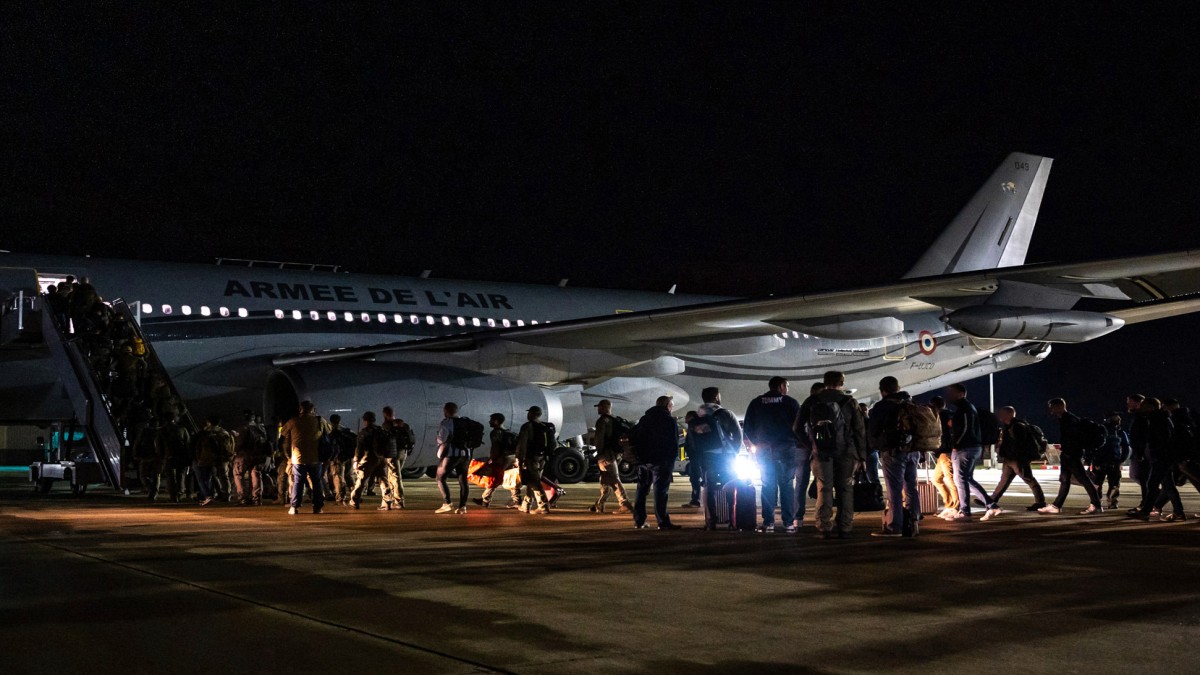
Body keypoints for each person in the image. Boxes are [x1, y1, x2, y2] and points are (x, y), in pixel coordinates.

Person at [805, 371, 866, 538]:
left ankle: (824, 526)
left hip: (822, 452)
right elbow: (859, 430)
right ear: (842, 382)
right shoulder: (850, 402)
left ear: (824, 382)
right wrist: (862, 456)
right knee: (845, 488)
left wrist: (812, 444)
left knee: (824, 488)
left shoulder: (813, 400)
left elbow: (797, 427)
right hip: (846, 451)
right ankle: (845, 526)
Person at [744, 376, 802, 533]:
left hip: (764, 450)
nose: (788, 389)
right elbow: (799, 426)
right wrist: (796, 442)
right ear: (782, 386)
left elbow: (748, 426)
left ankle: (768, 522)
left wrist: (757, 442)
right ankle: (788, 523)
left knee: (767, 485)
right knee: (787, 485)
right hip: (786, 449)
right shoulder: (790, 402)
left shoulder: (756, 402)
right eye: (787, 386)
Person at [867, 377, 920, 537]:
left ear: (882, 391)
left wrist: (875, 445)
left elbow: (874, 430)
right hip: (913, 450)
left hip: (893, 451)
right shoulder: (910, 403)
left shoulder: (882, 406)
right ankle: (914, 522)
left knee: (894, 490)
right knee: (911, 487)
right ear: (898, 388)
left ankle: (894, 526)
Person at [689, 387, 743, 530]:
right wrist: (735, 452)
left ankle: (711, 521)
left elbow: (692, 440)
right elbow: (738, 435)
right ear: (716, 398)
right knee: (731, 486)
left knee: (709, 488)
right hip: (726, 457)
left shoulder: (697, 416)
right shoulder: (726, 414)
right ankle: (733, 520)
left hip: (707, 457)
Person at [1039, 398, 1104, 515]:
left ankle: (1096, 505)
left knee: (1083, 479)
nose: (1050, 410)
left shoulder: (1069, 420)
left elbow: (1074, 439)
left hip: (1072, 455)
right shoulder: (1065, 419)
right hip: (1068, 454)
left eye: (1052, 407)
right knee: (1065, 480)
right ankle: (1056, 506)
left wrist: (1069, 452)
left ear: (1059, 406)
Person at [945, 383, 999, 521]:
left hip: (965, 448)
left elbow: (965, 428)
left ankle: (965, 512)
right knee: (966, 479)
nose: (949, 395)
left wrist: (956, 444)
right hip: (972, 446)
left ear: (961, 394)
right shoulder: (968, 408)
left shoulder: (964, 409)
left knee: (961, 480)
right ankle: (991, 505)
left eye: (951, 392)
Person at [630, 395, 682, 530]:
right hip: (661, 461)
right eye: (671, 405)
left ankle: (639, 520)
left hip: (644, 461)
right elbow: (673, 443)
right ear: (667, 406)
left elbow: (635, 436)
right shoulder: (668, 420)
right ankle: (662, 521)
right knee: (660, 491)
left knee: (641, 491)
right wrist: (671, 461)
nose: (672, 408)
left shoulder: (645, 419)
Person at [1130, 398, 1184, 521]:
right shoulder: (1161, 418)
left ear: (1151, 407)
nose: (1141, 408)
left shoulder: (1157, 420)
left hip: (1161, 458)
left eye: (1143, 405)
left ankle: (1145, 512)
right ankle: (1179, 512)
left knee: (1152, 484)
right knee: (1168, 486)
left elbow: (1161, 440)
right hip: (1164, 457)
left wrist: (1156, 454)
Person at [990, 406, 1048, 512]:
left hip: (1017, 459)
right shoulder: (1007, 426)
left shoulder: (1018, 426)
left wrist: (1015, 456)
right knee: (1004, 481)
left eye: (1002, 413)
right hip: (1009, 459)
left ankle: (1041, 502)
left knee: (1029, 479)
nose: (999, 415)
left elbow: (1020, 444)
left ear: (1009, 414)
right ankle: (991, 500)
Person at [279, 400, 329, 515]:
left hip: (298, 457)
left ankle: (294, 506)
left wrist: (287, 454)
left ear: (300, 409)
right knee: (316, 482)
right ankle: (317, 507)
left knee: (298, 482)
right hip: (315, 458)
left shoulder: (293, 421)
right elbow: (328, 432)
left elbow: (282, 436)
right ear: (312, 410)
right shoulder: (319, 421)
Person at [791, 381, 825, 529]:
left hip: (802, 448)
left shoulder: (805, 404)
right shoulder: (824, 404)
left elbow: (797, 427)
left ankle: (798, 517)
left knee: (800, 483)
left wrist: (806, 444)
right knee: (823, 483)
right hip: (818, 448)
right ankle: (822, 517)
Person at [590, 400, 632, 514]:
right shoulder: (615, 420)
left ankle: (625, 504)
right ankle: (600, 504)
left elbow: (599, 439)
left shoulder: (602, 421)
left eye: (599, 407)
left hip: (606, 454)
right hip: (616, 453)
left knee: (614, 479)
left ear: (605, 407)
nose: (598, 409)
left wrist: (599, 453)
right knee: (605, 479)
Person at [514, 405, 556, 515]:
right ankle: (526, 505)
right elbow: (553, 443)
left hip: (531, 457)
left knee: (535, 482)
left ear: (532, 414)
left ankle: (544, 506)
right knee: (531, 480)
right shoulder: (545, 427)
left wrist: (519, 458)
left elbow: (522, 444)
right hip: (542, 458)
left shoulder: (527, 426)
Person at [475, 413, 521, 508]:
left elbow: (495, 447)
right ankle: (517, 500)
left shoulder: (495, 432)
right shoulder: (508, 432)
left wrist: (492, 459)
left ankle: (485, 501)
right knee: (511, 478)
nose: (489, 422)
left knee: (494, 478)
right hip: (512, 457)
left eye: (491, 420)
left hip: (502, 458)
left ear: (496, 421)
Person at [434, 402, 472, 514]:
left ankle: (447, 503)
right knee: (463, 480)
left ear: (446, 411)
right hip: (466, 454)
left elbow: (441, 440)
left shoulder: (446, 423)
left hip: (452, 454)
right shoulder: (466, 422)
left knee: (440, 478)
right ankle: (462, 507)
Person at [928, 396, 961, 519]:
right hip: (944, 452)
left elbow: (942, 435)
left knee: (950, 479)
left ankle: (956, 506)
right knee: (936, 479)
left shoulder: (940, 417)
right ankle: (949, 504)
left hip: (946, 452)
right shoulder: (951, 415)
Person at [1089, 412, 1129, 511]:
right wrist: (1093, 460)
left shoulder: (1121, 432)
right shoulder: (1100, 430)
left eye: (1118, 418)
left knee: (1115, 484)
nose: (1118, 420)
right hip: (1100, 462)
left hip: (1114, 462)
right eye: (1115, 418)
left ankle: (1112, 502)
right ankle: (1096, 502)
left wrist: (1122, 459)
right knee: (1097, 484)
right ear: (1107, 419)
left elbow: (1126, 447)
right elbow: (1092, 446)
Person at [232, 410, 269, 506]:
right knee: (256, 475)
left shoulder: (243, 428)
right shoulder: (260, 428)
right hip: (257, 455)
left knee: (238, 475)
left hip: (243, 455)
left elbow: (240, 443)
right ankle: (257, 498)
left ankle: (243, 498)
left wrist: (234, 452)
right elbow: (266, 442)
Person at [349, 411, 385, 509]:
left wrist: (356, 460)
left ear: (365, 421)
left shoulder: (364, 432)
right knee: (382, 479)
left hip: (368, 458)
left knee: (361, 480)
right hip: (381, 458)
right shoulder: (380, 430)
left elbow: (359, 448)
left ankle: (355, 500)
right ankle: (387, 501)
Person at [374, 407, 405, 510]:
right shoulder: (401, 424)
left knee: (394, 477)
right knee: (396, 477)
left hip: (392, 454)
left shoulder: (387, 425)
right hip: (402, 452)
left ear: (385, 415)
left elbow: (386, 440)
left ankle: (398, 501)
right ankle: (397, 500)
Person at [156, 415, 192, 503]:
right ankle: (180, 493)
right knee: (181, 475)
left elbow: (158, 445)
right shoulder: (182, 429)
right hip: (181, 456)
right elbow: (188, 443)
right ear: (174, 419)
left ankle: (173, 496)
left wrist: (161, 457)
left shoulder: (161, 430)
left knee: (170, 477)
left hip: (168, 456)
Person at [323, 414, 356, 506]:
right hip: (349, 457)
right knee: (349, 476)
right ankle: (355, 495)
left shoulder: (331, 432)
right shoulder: (346, 430)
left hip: (338, 458)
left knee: (338, 477)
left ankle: (341, 497)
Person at [1124, 394, 1148, 513]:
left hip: (1142, 453)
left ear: (1137, 403)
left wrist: (1140, 453)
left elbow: (1141, 436)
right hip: (1139, 451)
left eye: (1129, 401)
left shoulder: (1142, 417)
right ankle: (1148, 501)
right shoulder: (1139, 416)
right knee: (1139, 477)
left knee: (1142, 478)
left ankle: (1147, 503)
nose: (1127, 404)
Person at [681, 410, 703, 508]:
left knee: (695, 478)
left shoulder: (693, 425)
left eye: (686, 417)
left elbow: (692, 441)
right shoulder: (697, 424)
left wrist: (690, 450)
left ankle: (696, 500)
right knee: (696, 478)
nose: (685, 419)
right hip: (697, 456)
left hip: (696, 456)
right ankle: (696, 500)